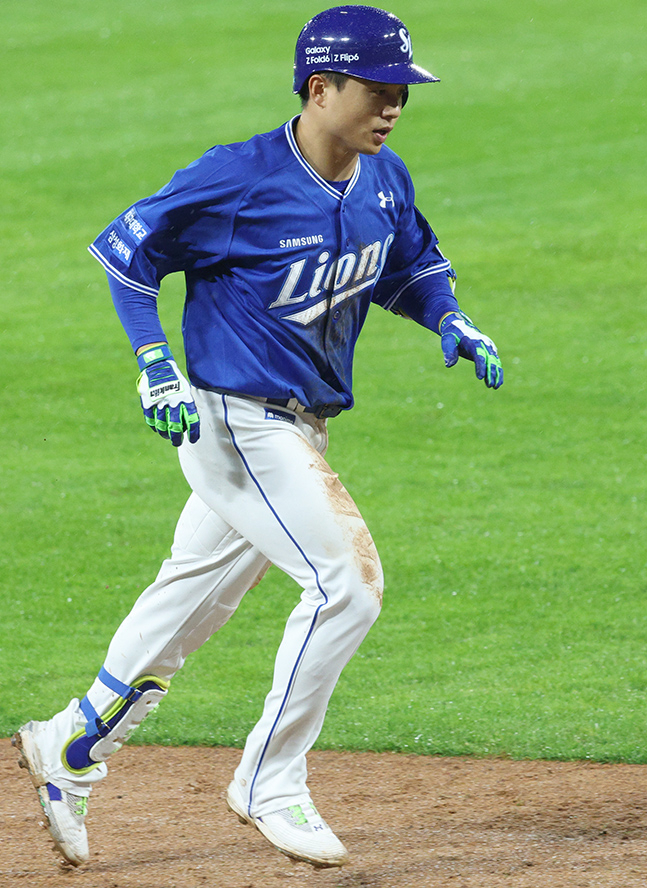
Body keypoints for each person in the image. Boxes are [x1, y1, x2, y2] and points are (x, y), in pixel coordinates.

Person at [13, 4, 503, 871]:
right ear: (320, 88)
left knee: (191, 599)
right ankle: (269, 781)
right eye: (379, 91)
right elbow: (129, 254)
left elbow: (407, 265)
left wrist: (450, 320)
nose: (394, 107)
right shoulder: (237, 178)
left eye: (402, 93)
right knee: (347, 585)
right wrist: (155, 364)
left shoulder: (381, 179)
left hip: (299, 428)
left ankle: (71, 745)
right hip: (234, 421)